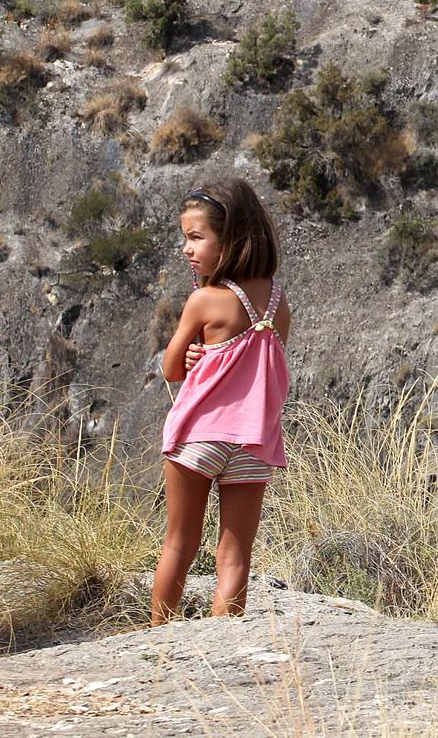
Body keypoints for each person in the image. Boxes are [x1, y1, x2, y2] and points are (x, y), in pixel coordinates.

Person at [151, 178, 291, 625]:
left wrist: (192, 353)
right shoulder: (277, 304)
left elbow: (172, 369)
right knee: (234, 555)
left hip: (199, 437)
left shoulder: (204, 300)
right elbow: (255, 364)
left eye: (196, 238)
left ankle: (159, 641)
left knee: (180, 541)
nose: (187, 249)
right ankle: (222, 641)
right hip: (252, 442)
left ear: (229, 240)